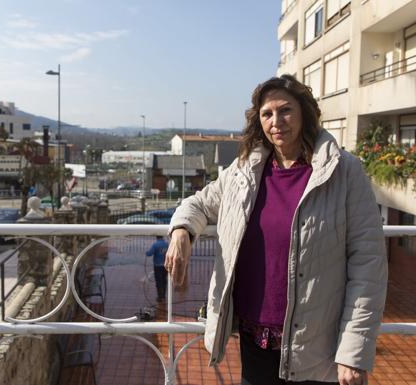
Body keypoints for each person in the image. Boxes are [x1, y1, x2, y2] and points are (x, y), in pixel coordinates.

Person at [165, 74, 388, 385]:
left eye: (285, 110)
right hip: (255, 341)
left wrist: (353, 353)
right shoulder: (246, 170)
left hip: (314, 347)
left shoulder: (344, 172)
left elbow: (368, 267)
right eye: (267, 114)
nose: (276, 121)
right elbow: (200, 203)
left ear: (304, 113)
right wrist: (181, 232)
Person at [146, 236, 169, 301]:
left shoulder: (155, 244)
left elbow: (149, 254)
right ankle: (164, 295)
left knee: (159, 281)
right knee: (164, 280)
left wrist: (147, 252)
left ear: (156, 237)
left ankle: (160, 296)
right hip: (165, 266)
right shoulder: (167, 244)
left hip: (157, 266)